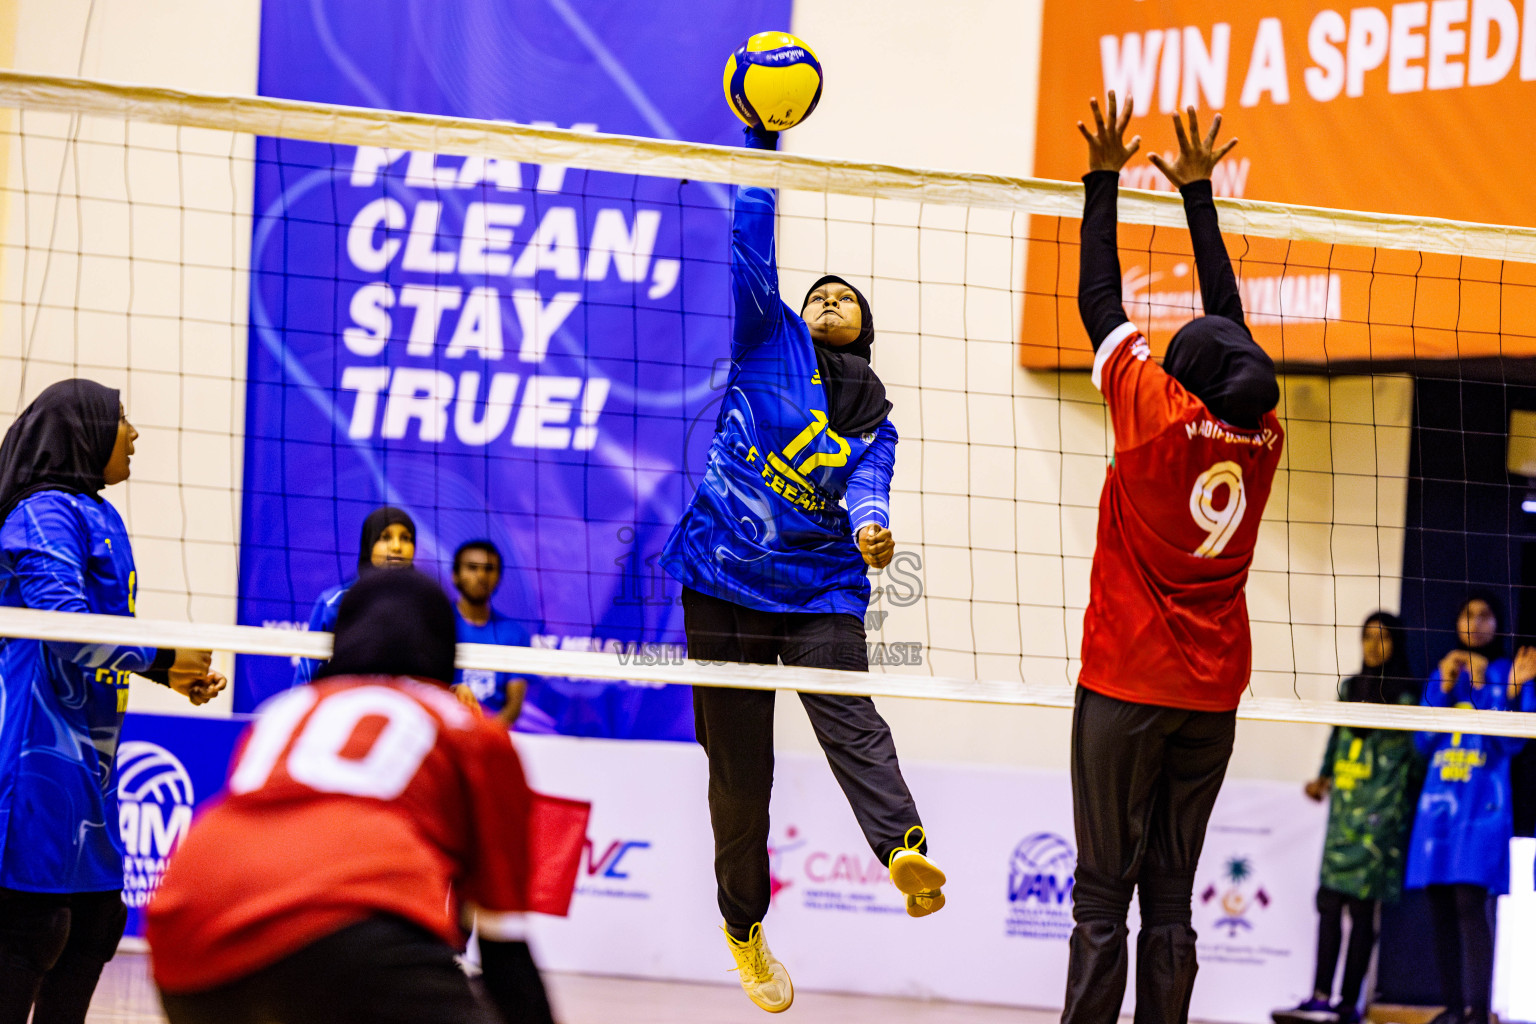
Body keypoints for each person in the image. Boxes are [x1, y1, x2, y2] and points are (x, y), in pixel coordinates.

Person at [658, 122, 942, 1013]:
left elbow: (870, 486)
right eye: (817, 291)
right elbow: (750, 239)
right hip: (721, 581)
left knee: (849, 717)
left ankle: (904, 849)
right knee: (740, 778)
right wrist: (760, 144)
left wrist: (872, 531)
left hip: (820, 585)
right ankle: (744, 930)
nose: (824, 298)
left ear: (864, 329)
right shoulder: (765, 335)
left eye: (842, 297)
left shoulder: (876, 419)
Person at [1062, 94, 1285, 1024]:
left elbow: (1099, 303)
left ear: (1177, 377)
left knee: (1103, 896)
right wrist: (1201, 196)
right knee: (1170, 895)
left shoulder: (1152, 417)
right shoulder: (1263, 433)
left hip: (1125, 685)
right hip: (1211, 696)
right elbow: (1230, 330)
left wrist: (1106, 178)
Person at [146, 568, 588, 1024]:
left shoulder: (285, 712)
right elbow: (505, 955)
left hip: (186, 932)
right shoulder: (470, 731)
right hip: (350, 931)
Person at [0, 379, 226, 1024]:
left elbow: (104, 633)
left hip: (91, 760)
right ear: (84, 432)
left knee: (98, 923)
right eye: (123, 419)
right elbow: (67, 628)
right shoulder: (41, 512)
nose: (133, 433)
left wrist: (166, 675)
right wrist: (159, 658)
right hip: (35, 756)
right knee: (34, 928)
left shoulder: (96, 513)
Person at [1275, 612, 1422, 1024]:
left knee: (1361, 910)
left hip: (1381, 816)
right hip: (1344, 813)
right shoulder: (1350, 688)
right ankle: (1320, 996)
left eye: (1383, 638)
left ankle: (1348, 1005)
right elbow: (1338, 736)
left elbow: (1413, 761)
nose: (1374, 646)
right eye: (1367, 638)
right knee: (1327, 901)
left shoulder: (1409, 696)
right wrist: (1323, 777)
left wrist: (1396, 809)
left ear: (1398, 643)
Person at [1405, 595, 1533, 1024]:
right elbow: (1421, 743)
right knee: (1440, 905)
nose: (1475, 622)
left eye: (1484, 614)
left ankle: (1478, 1011)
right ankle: (1454, 1009)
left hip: (1482, 811)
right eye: (1467, 613)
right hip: (1438, 809)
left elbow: (1513, 743)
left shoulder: (1507, 671)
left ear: (1497, 622)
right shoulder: (1443, 669)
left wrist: (1501, 690)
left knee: (1469, 904)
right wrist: (1443, 688)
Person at [291, 505, 417, 687]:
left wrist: (455, 688)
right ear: (369, 543)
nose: (397, 547)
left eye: (405, 538)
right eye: (386, 537)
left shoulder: (426, 605)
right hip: (346, 708)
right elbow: (307, 676)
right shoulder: (334, 602)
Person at [451, 539, 534, 727]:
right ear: (455, 575)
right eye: (472, 567)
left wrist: (486, 736)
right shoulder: (437, 623)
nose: (481, 575)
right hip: (446, 731)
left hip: (493, 735)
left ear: (499, 576)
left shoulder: (514, 634)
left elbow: (514, 706)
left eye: (489, 568)